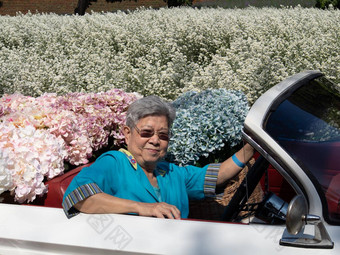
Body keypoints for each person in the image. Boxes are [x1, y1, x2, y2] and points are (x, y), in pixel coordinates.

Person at [62, 95, 254, 219]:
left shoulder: (170, 172)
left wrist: (250, 150)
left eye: (163, 135)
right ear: (127, 133)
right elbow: (79, 197)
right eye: (146, 133)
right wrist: (144, 207)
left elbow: (217, 175)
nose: (155, 141)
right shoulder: (114, 163)